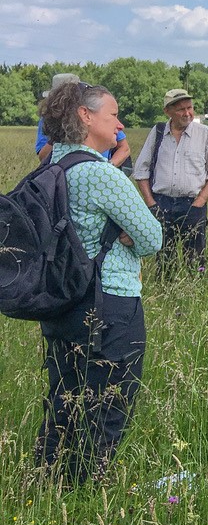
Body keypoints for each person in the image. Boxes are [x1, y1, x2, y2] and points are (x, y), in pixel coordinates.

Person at [34, 83, 162, 484]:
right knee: (110, 401)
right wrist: (126, 231)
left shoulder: (49, 168)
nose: (120, 124)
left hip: (60, 303)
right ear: (85, 117)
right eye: (113, 115)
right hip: (110, 302)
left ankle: (46, 481)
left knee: (64, 398)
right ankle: (88, 492)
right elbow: (152, 237)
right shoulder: (100, 174)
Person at [134, 88, 208, 275]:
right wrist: (151, 204)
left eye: (190, 108)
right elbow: (140, 170)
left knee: (195, 259)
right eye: (181, 109)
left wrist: (198, 203)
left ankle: (195, 292)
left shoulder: (205, 134)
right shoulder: (158, 132)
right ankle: (166, 291)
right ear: (167, 111)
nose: (187, 113)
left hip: (192, 205)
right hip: (162, 204)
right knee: (164, 259)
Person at [36, 73, 131, 169]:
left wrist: (107, 166)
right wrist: (59, 134)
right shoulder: (47, 120)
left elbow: (124, 148)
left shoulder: (99, 118)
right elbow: (43, 156)